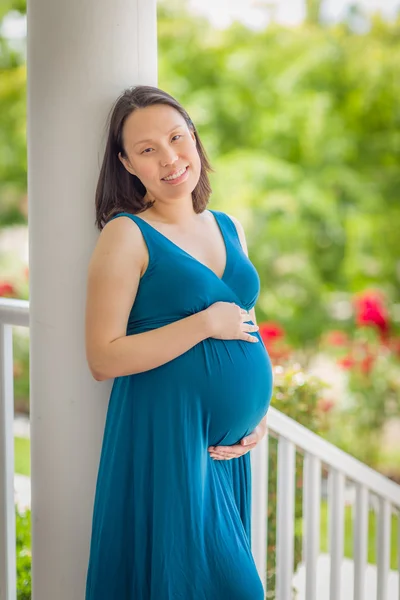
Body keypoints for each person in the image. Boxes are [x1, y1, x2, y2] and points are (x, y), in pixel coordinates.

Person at [84, 85, 273, 600]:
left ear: (194, 138)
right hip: (168, 438)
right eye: (148, 149)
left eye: (176, 137)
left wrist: (258, 415)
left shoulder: (227, 226)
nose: (169, 158)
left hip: (224, 453)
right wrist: (203, 325)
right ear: (127, 164)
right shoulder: (126, 235)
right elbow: (103, 357)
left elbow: (244, 325)